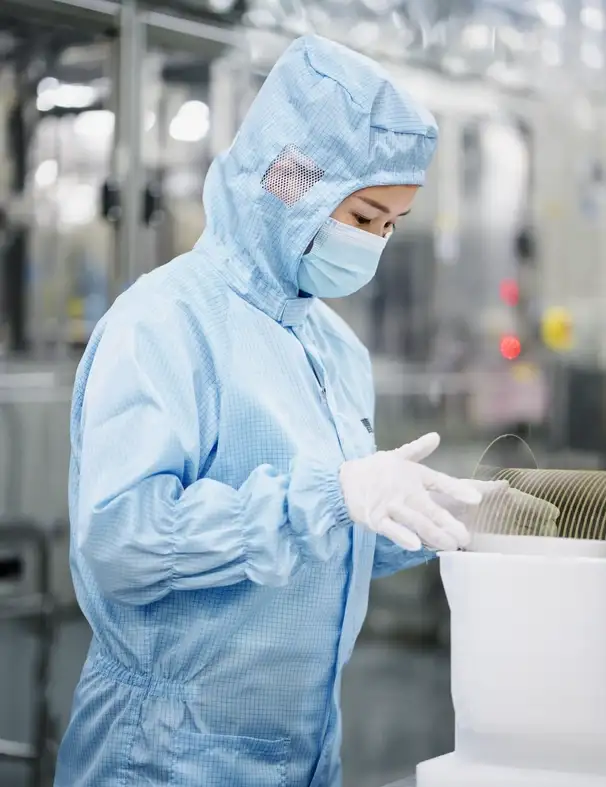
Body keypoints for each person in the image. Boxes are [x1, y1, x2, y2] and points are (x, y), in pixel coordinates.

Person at [54, 35, 552, 787]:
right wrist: (326, 495)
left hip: (303, 751)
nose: (376, 242)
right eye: (364, 214)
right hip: (166, 754)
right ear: (294, 183)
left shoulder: (334, 350)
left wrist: (429, 516)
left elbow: (326, 537)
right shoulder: (163, 323)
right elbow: (122, 542)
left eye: (392, 224)